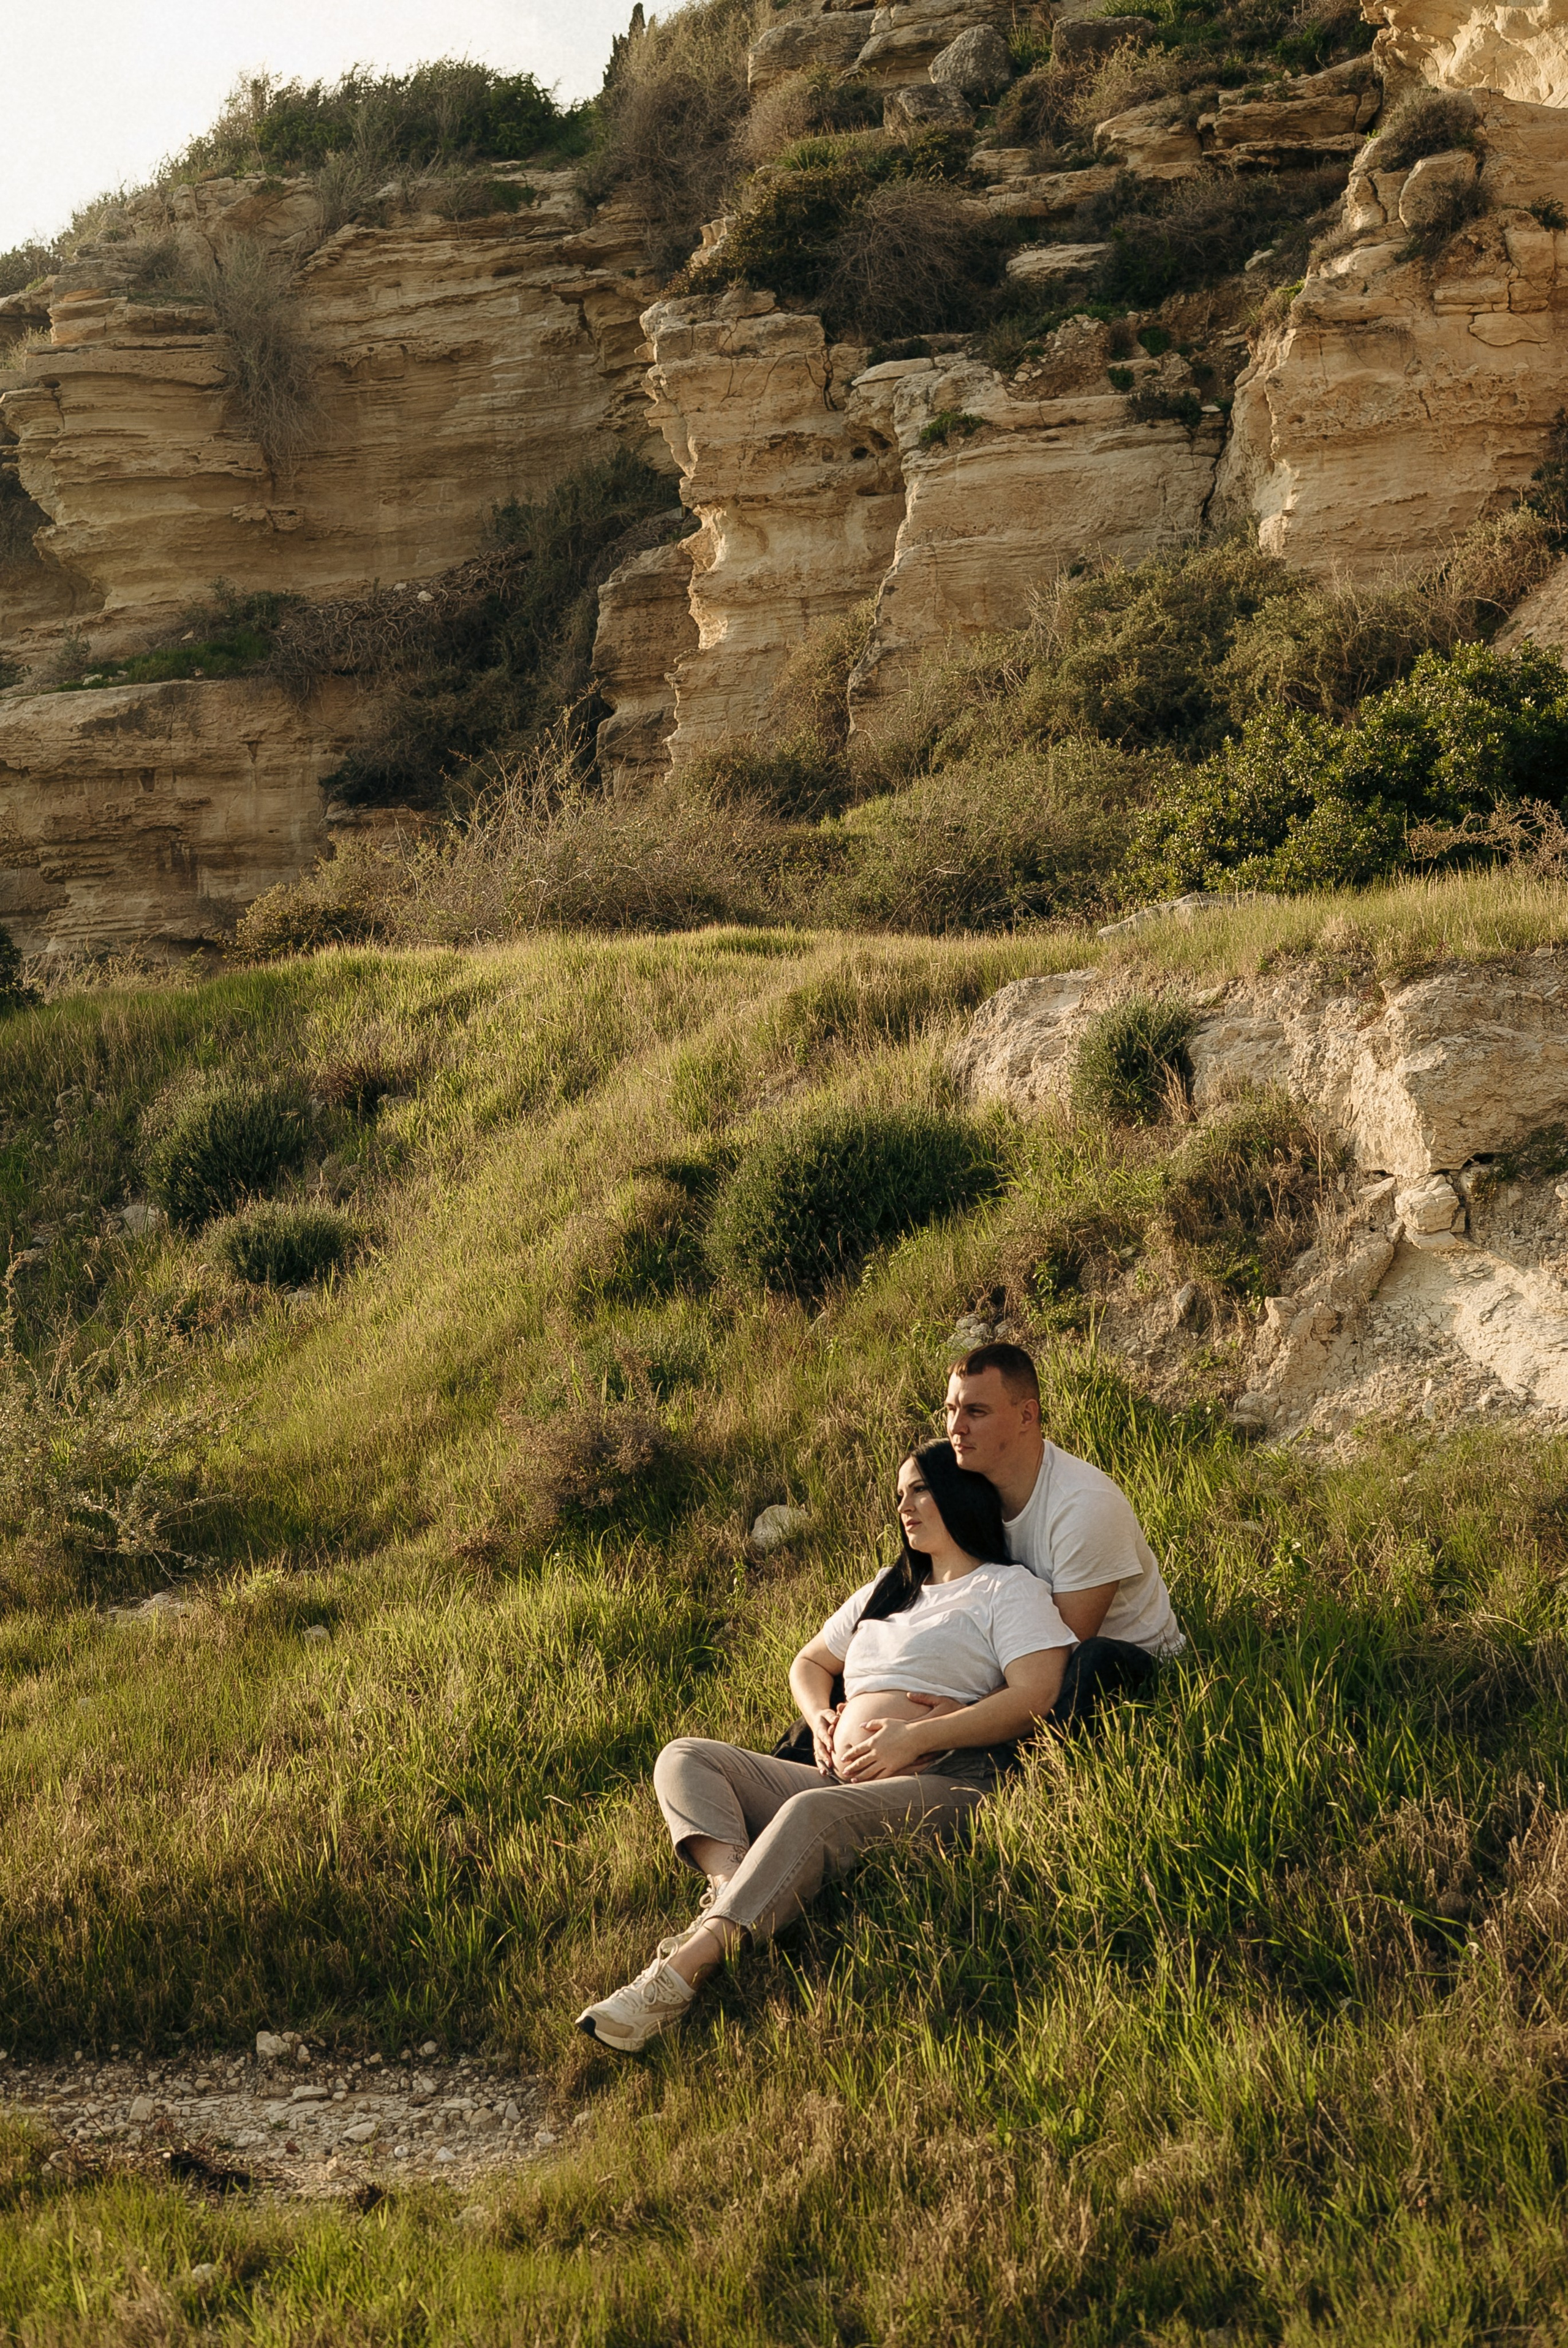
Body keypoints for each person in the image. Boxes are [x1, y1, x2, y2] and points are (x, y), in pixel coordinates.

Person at [576, 1440, 1077, 2055]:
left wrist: (915, 1736)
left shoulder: (1006, 1588)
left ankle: (676, 1977)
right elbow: (810, 1660)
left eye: (917, 1489)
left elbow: (1037, 1691)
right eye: (898, 1495)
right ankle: (734, 1891)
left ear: (958, 1492)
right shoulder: (887, 1588)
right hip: (842, 1776)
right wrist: (820, 1720)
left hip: (949, 1778)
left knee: (807, 1815)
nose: (904, 1505)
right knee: (685, 1756)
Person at [943, 1341, 1183, 1727]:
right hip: (1018, 1661)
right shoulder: (964, 1492)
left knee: (1091, 1663)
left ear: (1026, 1415)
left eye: (976, 1411)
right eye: (951, 1410)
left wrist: (961, 1711)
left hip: (1117, 1674)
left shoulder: (1083, 1506)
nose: (956, 1428)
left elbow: (1059, 1651)